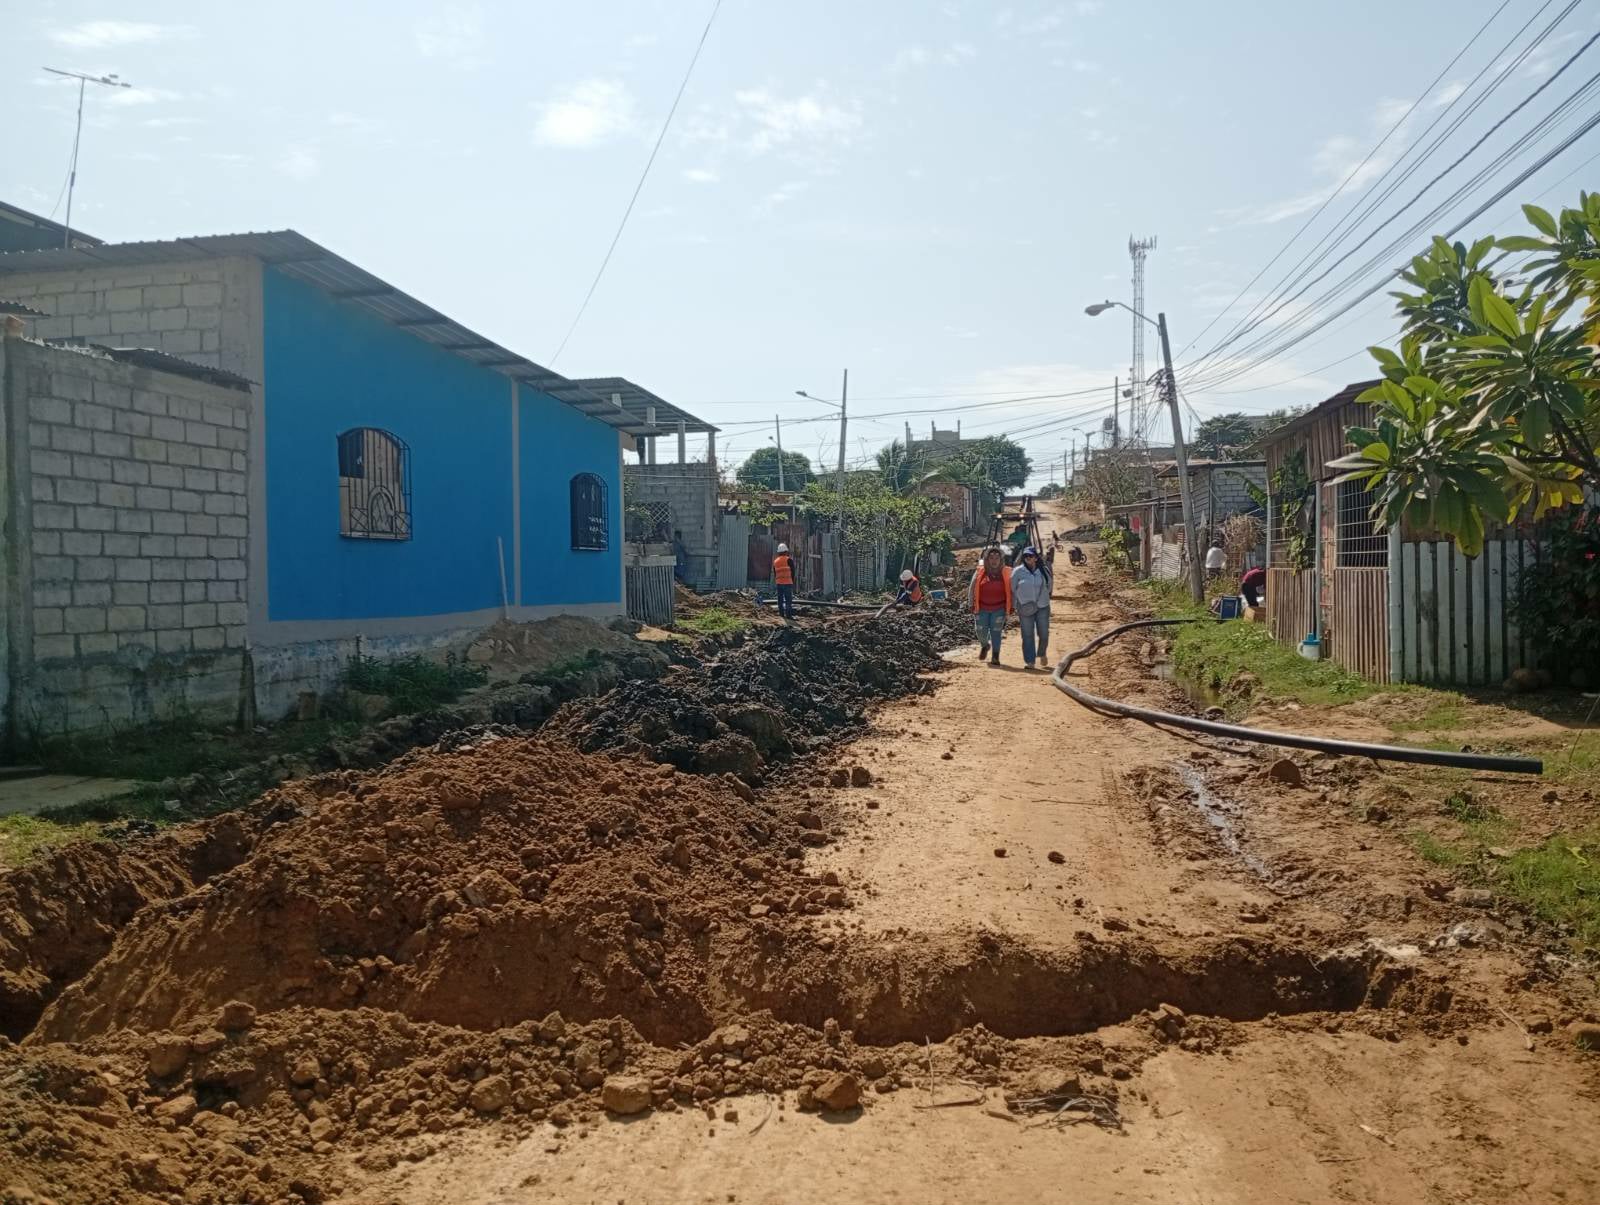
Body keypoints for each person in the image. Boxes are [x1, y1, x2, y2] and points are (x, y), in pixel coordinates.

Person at [968, 546, 1012, 666]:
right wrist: (970, 603)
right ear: (986, 560)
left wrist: (1012, 606)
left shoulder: (1007, 573)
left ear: (1001, 560)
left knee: (996, 632)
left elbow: (1012, 590)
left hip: (999, 609)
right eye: (991, 558)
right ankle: (985, 645)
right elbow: (972, 588)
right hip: (981, 608)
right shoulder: (979, 572)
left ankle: (995, 656)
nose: (994, 560)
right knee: (980, 630)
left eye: (997, 558)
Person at [1010, 546, 1053, 669]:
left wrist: (1042, 597)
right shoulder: (1018, 571)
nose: (1028, 558)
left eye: (1031, 556)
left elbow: (1049, 586)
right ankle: (1030, 661)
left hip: (1042, 606)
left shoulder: (1044, 570)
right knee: (1027, 634)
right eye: (1026, 556)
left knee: (1043, 633)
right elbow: (1012, 588)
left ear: (1036, 558)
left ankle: (1042, 653)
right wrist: (1017, 602)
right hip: (1025, 607)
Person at [772, 541, 796, 620]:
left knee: (780, 600)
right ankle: (788, 615)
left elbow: (775, 573)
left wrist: (777, 580)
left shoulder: (775, 561)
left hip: (779, 583)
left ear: (778, 552)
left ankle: (781, 614)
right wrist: (792, 581)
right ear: (786, 551)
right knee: (788, 600)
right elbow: (793, 572)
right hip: (787, 583)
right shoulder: (789, 560)